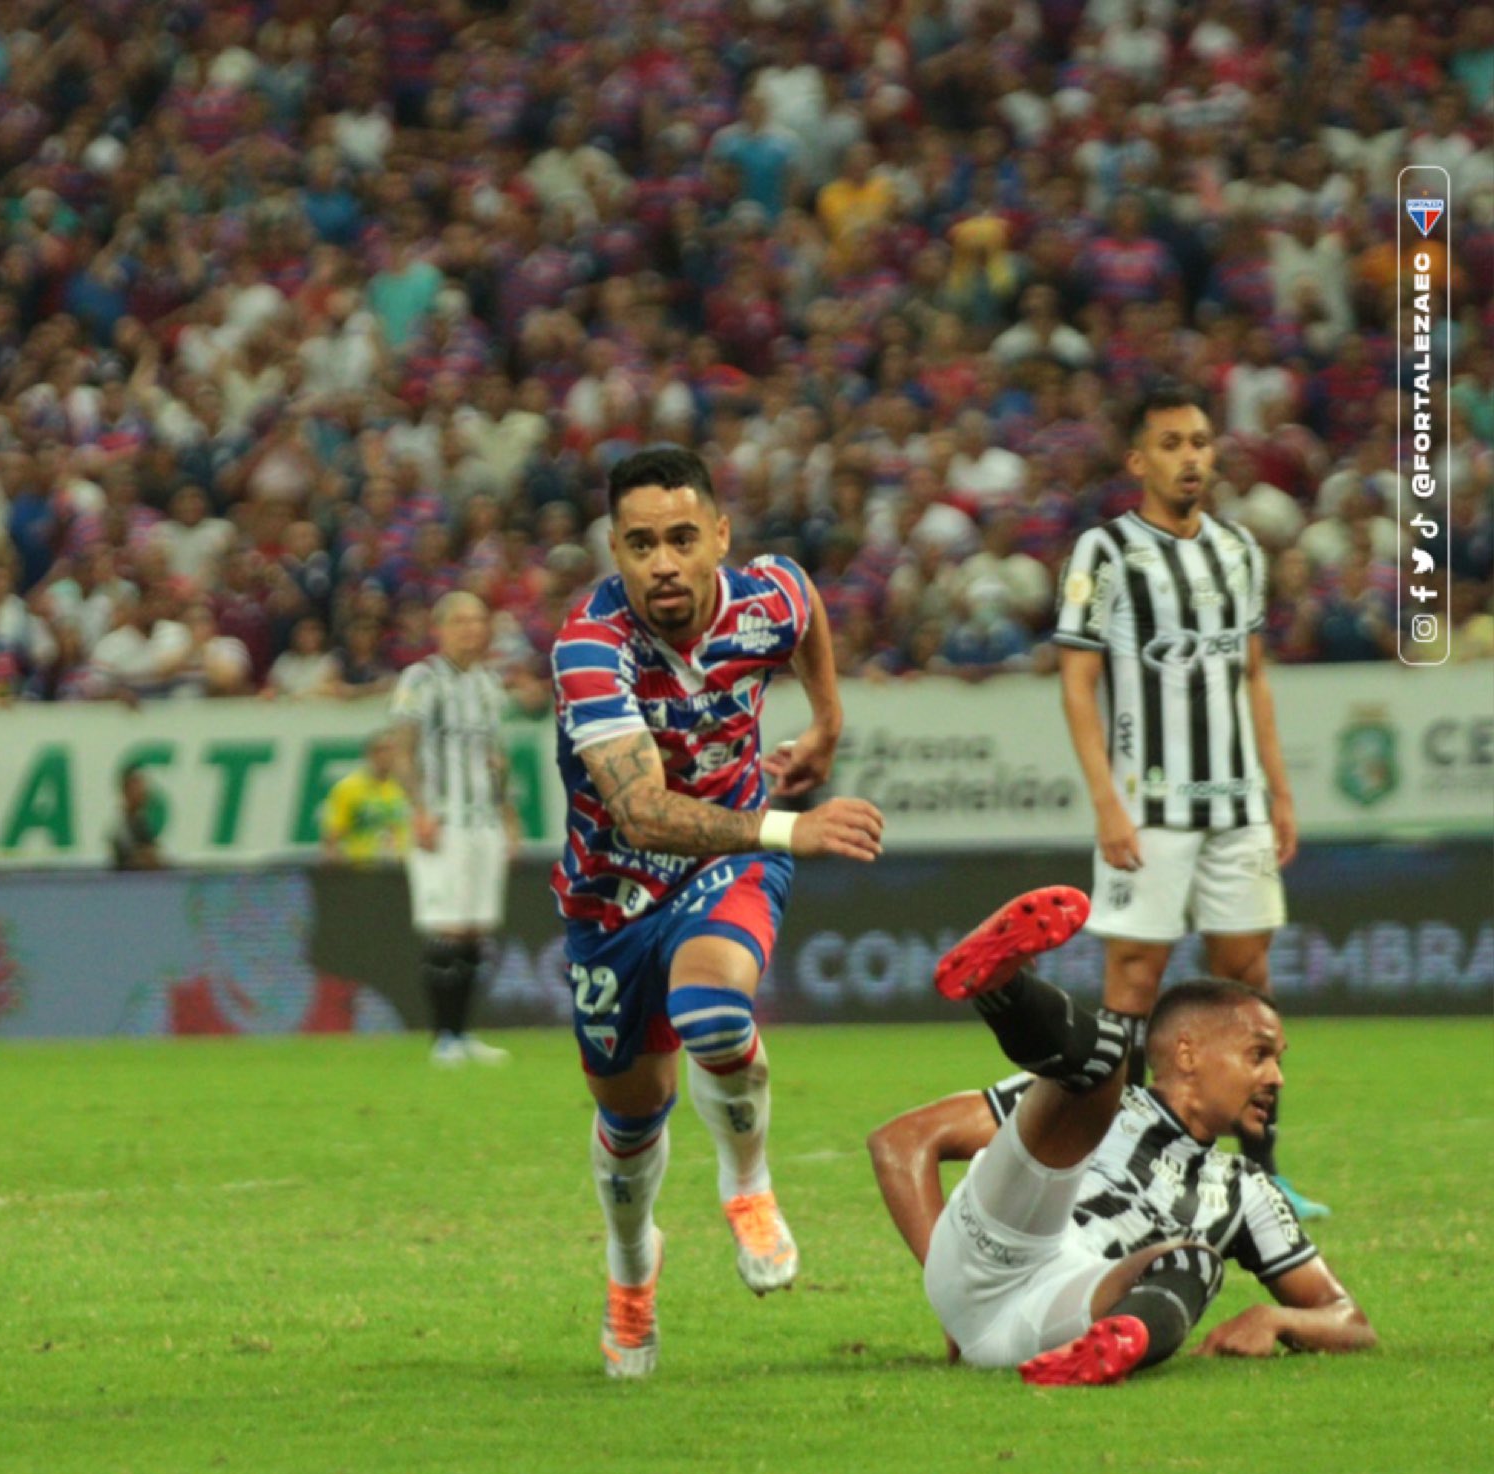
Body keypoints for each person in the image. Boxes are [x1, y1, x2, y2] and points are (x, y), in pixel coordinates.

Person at [551, 445, 883, 1378]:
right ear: (614, 549)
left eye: (683, 538)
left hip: (723, 866)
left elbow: (805, 600)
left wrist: (826, 720)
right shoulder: (590, 646)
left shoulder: (763, 599)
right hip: (610, 897)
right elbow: (643, 813)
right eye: (641, 543)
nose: (663, 561)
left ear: (720, 540)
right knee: (631, 1117)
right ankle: (631, 1269)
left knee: (713, 1009)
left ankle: (748, 1186)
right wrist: (787, 829)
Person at [869, 886, 1374, 1385]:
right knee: (1102, 1064)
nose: (1276, 1079)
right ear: (1187, 1054)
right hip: (995, 1248)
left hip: (1058, 1314)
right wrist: (946, 1286)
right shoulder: (1094, 1104)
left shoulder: (1249, 1192)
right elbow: (902, 1141)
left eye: (1278, 1062)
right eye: (1259, 1055)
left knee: (1196, 1262)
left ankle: (1105, 1355)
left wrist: (1276, 1319)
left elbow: (1348, 1321)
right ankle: (1002, 984)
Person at [1053, 383, 1325, 1219]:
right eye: (1171, 443)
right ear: (1139, 461)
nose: (1191, 458)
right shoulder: (1104, 553)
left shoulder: (1238, 550)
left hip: (1236, 805)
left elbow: (1254, 679)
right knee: (1133, 983)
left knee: (1247, 981)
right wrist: (1105, 801)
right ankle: (1126, 1165)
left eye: (1201, 442)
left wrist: (1279, 793)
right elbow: (1078, 684)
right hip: (1150, 806)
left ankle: (1263, 1168)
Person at [387, 591, 518, 1067]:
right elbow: (402, 747)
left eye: (479, 621)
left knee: (475, 930)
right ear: (439, 628)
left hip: (483, 820)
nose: (471, 629)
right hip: (442, 819)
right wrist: (419, 808)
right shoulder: (421, 680)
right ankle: (443, 1037)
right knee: (447, 928)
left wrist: (507, 813)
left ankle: (463, 1034)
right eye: (461, 621)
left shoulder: (487, 683)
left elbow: (496, 757)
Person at [318, 733, 409, 868]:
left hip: (399, 871)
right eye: (381, 751)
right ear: (369, 755)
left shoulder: (402, 789)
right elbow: (331, 838)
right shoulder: (348, 789)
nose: (387, 757)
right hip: (361, 870)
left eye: (392, 751)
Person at [109, 765, 165, 871]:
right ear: (126, 791)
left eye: (142, 785)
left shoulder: (141, 823)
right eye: (137, 786)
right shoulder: (122, 827)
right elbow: (137, 860)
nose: (142, 790)